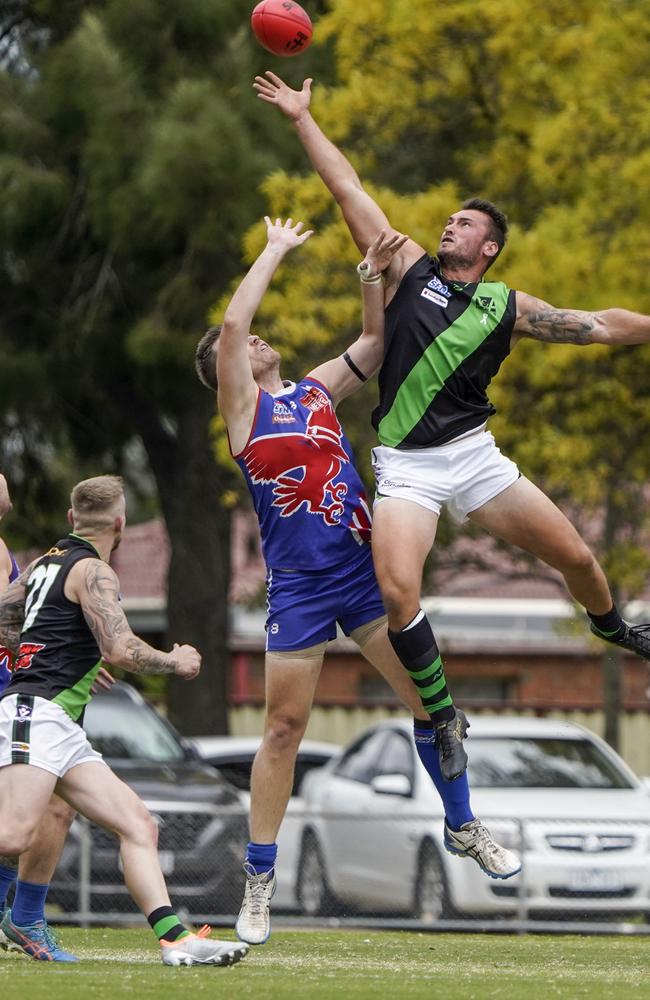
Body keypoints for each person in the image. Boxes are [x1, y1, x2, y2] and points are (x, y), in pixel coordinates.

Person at [253, 70, 650, 752]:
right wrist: (300, 118)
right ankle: (444, 716)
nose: (450, 223)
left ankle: (613, 627)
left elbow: (602, 326)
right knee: (399, 593)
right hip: (408, 466)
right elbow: (346, 187)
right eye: (452, 218)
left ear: (488, 248)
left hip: (474, 456)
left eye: (465, 222)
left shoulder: (508, 306)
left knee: (580, 559)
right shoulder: (407, 267)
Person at [195, 217, 520, 947]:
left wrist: (371, 281)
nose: (251, 341)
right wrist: (274, 250)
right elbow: (232, 320)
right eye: (238, 350)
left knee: (436, 712)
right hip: (302, 588)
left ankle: (463, 824)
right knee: (283, 729)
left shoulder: (312, 391)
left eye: (248, 345)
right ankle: (259, 881)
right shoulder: (244, 412)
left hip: (361, 571)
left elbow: (374, 347)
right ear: (226, 372)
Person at [0, 475, 248, 968]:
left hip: (61, 726)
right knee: (12, 836)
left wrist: (54, 654)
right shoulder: (95, 570)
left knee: (137, 823)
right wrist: (175, 660)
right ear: (121, 522)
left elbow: (4, 622)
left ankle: (174, 938)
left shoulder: (41, 564)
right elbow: (121, 647)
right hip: (36, 714)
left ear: (73, 519)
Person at [0, 473, 80, 962]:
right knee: (44, 811)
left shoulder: (3, 546)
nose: (5, 485)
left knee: (47, 809)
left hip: (18, 690)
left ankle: (20, 915)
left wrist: (58, 652)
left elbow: (14, 622)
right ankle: (24, 917)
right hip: (13, 696)